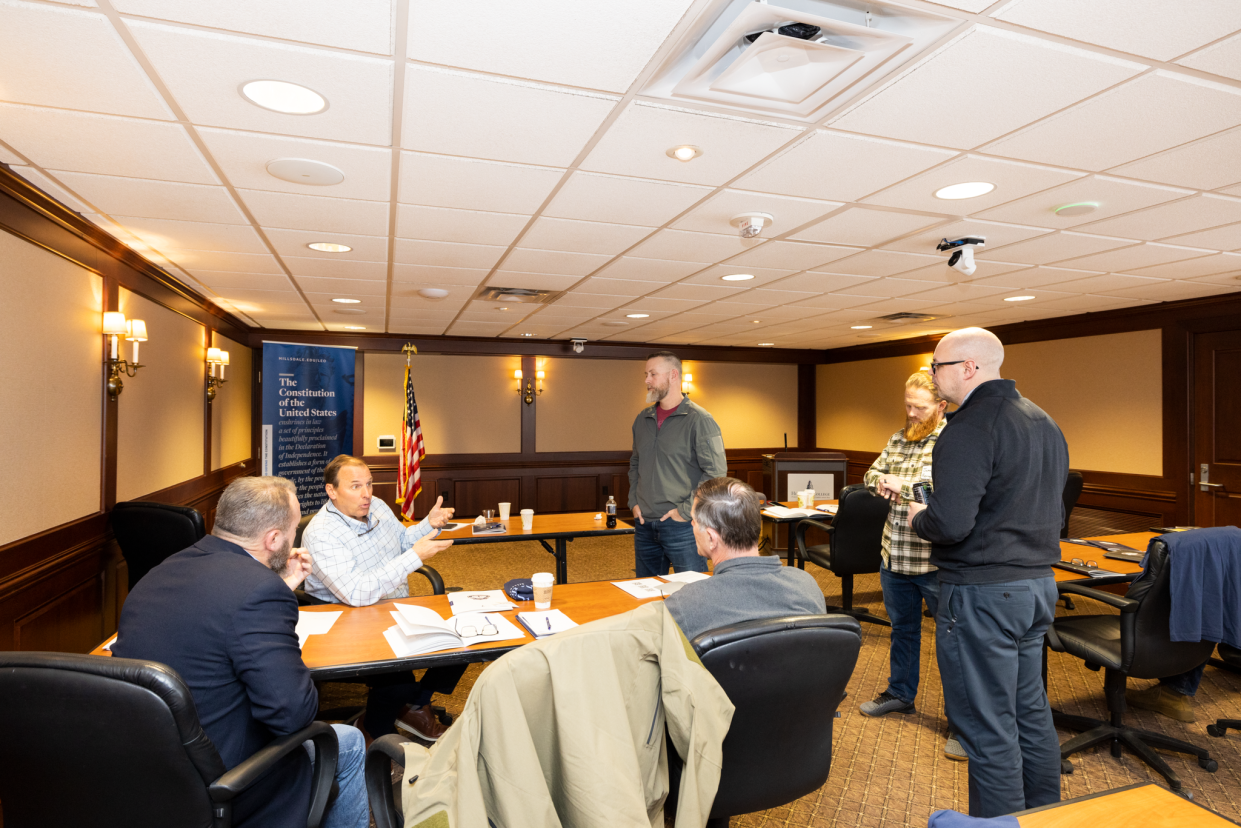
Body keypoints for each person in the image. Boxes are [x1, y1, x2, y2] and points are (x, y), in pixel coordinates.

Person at [113, 476, 367, 828]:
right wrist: (277, 604)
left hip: (147, 770)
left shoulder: (161, 571)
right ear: (274, 539)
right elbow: (291, 715)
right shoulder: (259, 593)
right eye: (292, 531)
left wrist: (275, 586)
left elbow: (217, 617)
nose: (293, 540)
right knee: (350, 742)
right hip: (225, 782)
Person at [907, 327, 1068, 818]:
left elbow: (950, 524)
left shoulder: (970, 427)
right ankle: (1043, 816)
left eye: (939, 368)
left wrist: (919, 517)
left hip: (982, 595)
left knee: (987, 725)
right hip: (1036, 588)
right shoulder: (1044, 421)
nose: (934, 378)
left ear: (968, 368)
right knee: (1031, 714)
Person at [302, 454, 466, 742]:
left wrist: (428, 523)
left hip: (391, 607)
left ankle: (414, 704)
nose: (366, 494)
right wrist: (415, 557)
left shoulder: (376, 506)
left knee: (462, 636)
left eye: (369, 484)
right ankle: (374, 729)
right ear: (332, 491)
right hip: (346, 620)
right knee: (397, 675)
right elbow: (356, 593)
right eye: (355, 486)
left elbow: (402, 541)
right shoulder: (322, 534)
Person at [859, 372, 966, 756]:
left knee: (953, 645)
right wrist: (883, 481)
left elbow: (938, 490)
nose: (910, 412)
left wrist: (898, 485)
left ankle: (963, 726)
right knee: (903, 631)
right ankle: (900, 693)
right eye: (907, 404)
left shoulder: (952, 441)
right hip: (896, 553)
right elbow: (871, 475)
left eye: (919, 407)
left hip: (935, 560)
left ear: (941, 406)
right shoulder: (898, 438)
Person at [664, 476, 825, 640]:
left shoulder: (685, 605)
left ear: (711, 538)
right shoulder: (807, 587)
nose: (692, 524)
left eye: (694, 520)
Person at [629, 351, 727, 578]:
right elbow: (635, 463)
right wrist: (633, 501)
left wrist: (684, 511)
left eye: (653, 374)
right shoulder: (642, 419)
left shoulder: (699, 419)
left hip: (683, 525)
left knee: (693, 594)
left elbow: (716, 473)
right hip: (644, 523)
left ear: (673, 375)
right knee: (647, 593)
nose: (647, 380)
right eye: (646, 374)